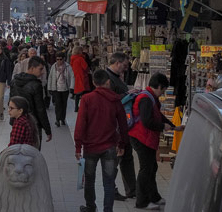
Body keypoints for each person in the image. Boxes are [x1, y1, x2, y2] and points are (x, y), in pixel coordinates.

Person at [74, 70, 129, 212]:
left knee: (90, 180)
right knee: (109, 182)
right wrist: (122, 143)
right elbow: (123, 124)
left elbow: (80, 124)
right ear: (108, 82)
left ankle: (91, 207)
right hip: (110, 146)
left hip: (90, 147)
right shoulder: (115, 100)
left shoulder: (87, 99)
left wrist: (78, 147)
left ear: (93, 83)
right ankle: (107, 209)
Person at [129, 73, 178, 210]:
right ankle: (142, 202)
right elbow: (147, 121)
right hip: (141, 138)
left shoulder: (150, 96)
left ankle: (154, 197)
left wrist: (173, 126)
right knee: (146, 169)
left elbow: (158, 115)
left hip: (145, 137)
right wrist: (163, 126)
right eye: (163, 90)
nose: (163, 93)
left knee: (152, 167)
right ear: (159, 86)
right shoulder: (146, 98)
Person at [0, 96, 39, 211]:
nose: (9, 110)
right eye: (8, 107)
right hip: (22, 157)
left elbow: (12, 147)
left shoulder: (20, 123)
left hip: (18, 159)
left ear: (20, 110)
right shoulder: (26, 119)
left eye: (11, 108)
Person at [105, 52, 137, 201]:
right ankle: (111, 188)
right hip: (115, 125)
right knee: (116, 157)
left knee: (126, 156)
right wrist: (127, 94)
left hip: (124, 124)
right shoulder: (109, 79)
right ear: (117, 63)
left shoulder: (116, 77)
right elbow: (108, 100)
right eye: (124, 65)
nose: (126, 69)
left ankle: (132, 189)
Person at [9, 57, 52, 149]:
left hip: (17, 122)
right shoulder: (36, 85)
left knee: (16, 150)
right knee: (33, 153)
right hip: (32, 124)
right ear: (32, 68)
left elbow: (10, 103)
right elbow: (40, 109)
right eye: (40, 69)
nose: (42, 72)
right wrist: (47, 129)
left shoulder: (14, 81)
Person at [47, 52, 74, 127]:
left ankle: (62, 118)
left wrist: (71, 87)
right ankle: (57, 119)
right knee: (58, 104)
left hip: (65, 88)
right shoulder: (53, 66)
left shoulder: (68, 67)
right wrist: (49, 88)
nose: (59, 61)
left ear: (64, 59)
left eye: (60, 59)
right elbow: (50, 77)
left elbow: (72, 77)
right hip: (56, 89)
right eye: (57, 59)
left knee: (64, 104)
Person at [71, 46, 92, 113]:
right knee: (85, 93)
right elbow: (85, 67)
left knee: (78, 93)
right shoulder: (80, 59)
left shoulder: (73, 58)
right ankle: (85, 106)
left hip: (77, 76)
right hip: (83, 77)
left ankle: (76, 107)